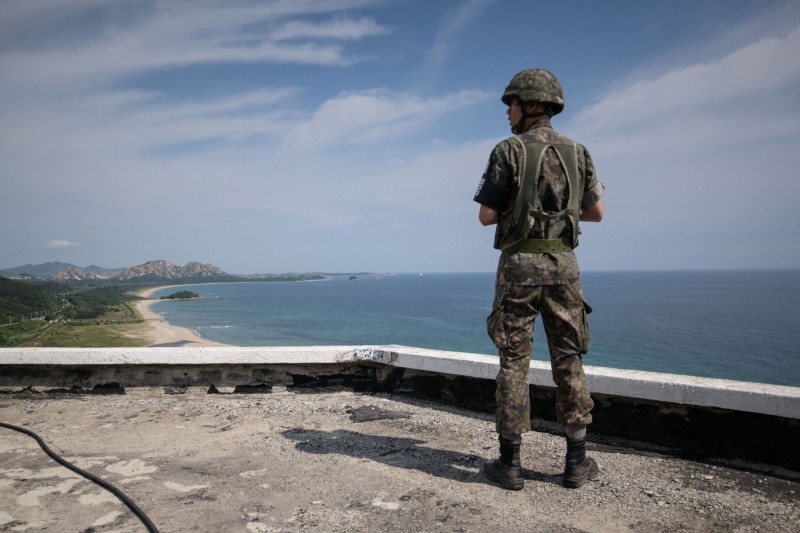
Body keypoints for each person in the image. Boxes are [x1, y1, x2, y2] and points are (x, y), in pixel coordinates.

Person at [473, 68, 604, 490]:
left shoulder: (507, 150)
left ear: (530, 105)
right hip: (564, 267)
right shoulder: (578, 151)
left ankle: (509, 465)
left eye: (511, 104)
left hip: (518, 269)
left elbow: (486, 216)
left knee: (514, 362)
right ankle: (576, 462)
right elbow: (595, 213)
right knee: (569, 358)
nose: (507, 112)